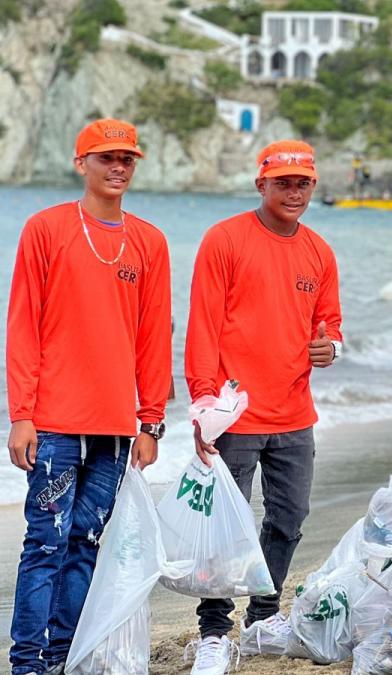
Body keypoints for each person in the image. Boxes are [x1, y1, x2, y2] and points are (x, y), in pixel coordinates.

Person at [7, 119, 171, 675]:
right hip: (51, 423)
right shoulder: (45, 229)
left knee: (85, 546)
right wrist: (21, 415)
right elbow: (24, 325)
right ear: (83, 164)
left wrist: (150, 423)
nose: (118, 166)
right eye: (106, 158)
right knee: (45, 545)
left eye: (127, 158)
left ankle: (62, 658)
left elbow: (153, 337)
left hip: (114, 430)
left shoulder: (149, 242)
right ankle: (27, 663)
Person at [184, 140, 343, 673]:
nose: (293, 192)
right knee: (224, 525)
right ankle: (213, 631)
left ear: (313, 187)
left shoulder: (319, 252)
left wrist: (332, 349)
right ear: (262, 185)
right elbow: (203, 324)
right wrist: (204, 400)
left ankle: (263, 616)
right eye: (283, 183)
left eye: (302, 184)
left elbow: (330, 327)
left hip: (295, 412)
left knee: (290, 518)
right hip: (234, 410)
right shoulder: (225, 239)